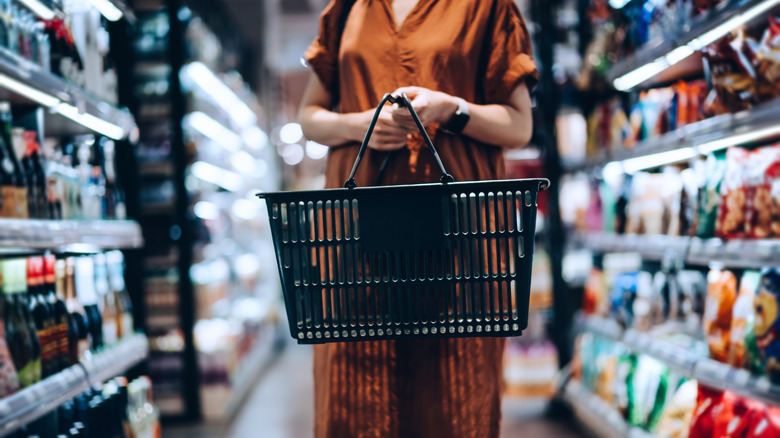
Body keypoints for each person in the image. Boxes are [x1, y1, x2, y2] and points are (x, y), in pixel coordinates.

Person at [298, 0, 538, 437]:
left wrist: (451, 109)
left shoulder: (487, 8)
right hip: (355, 241)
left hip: (459, 241)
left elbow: (520, 126)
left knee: (453, 400)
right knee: (353, 399)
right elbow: (309, 118)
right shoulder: (348, 8)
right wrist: (360, 124)